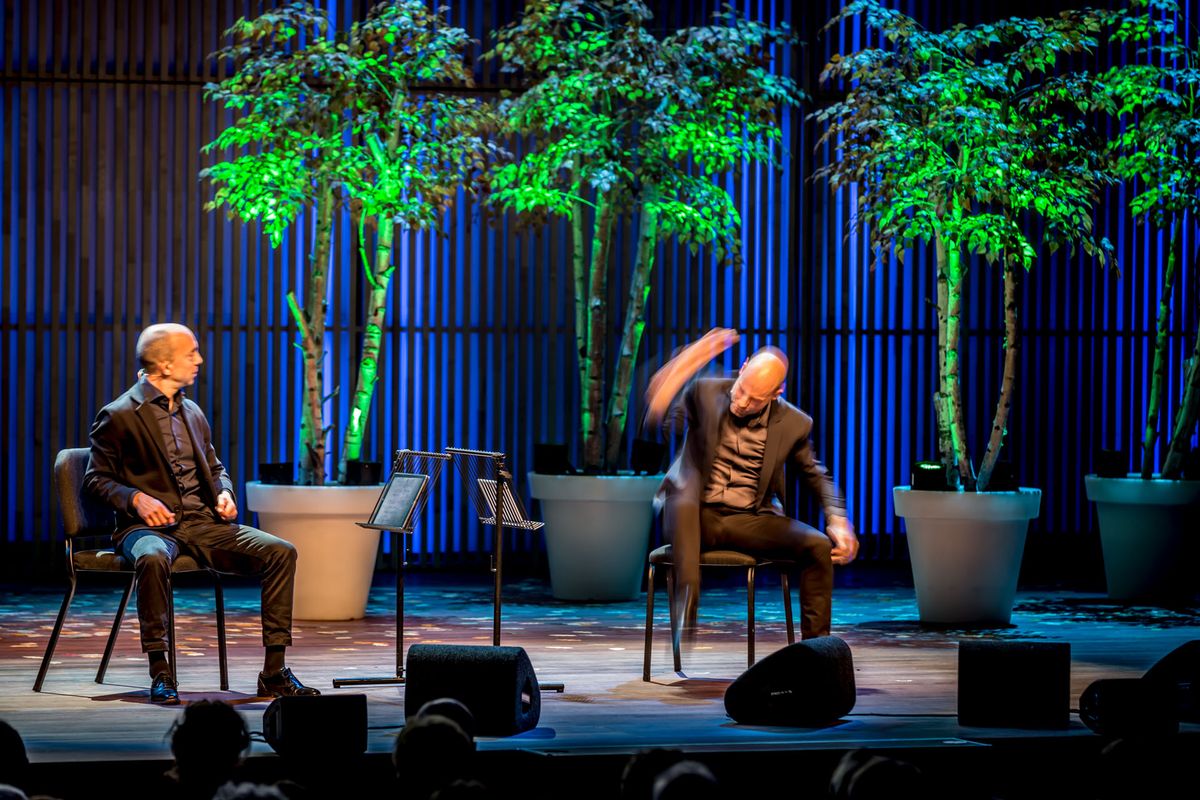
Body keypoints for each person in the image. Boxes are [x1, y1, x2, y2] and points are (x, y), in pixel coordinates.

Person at [83, 323, 318, 704]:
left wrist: (224, 492)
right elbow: (96, 481)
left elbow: (215, 467)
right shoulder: (119, 414)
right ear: (164, 364)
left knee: (281, 552)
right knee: (153, 557)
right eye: (191, 353)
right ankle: (161, 671)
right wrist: (136, 499)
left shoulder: (191, 410)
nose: (199, 360)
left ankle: (274, 672)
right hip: (147, 528)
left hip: (202, 524)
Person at [644, 328, 858, 639]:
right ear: (743, 367)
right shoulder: (706, 391)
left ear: (776, 393)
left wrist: (839, 520)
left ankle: (817, 649)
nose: (741, 403)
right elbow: (656, 412)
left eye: (754, 400)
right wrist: (694, 355)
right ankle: (687, 596)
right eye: (741, 390)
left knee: (818, 546)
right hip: (695, 515)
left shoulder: (795, 423)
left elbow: (816, 474)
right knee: (683, 492)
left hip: (747, 520)